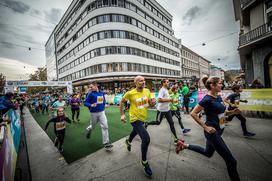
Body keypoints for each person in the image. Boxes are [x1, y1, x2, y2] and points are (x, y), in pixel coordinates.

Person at [176, 76, 241, 181]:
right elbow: (193, 113)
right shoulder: (207, 99)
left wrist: (233, 112)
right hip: (212, 132)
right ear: (212, 85)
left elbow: (222, 112)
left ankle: (183, 145)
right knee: (231, 161)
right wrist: (205, 127)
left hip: (219, 130)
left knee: (208, 153)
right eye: (220, 83)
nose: (222, 85)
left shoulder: (218, 97)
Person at [120, 75, 155, 177]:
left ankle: (128, 141)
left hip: (143, 117)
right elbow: (122, 102)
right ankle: (144, 162)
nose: (143, 82)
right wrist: (122, 114)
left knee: (135, 131)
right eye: (140, 81)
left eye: (144, 80)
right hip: (134, 119)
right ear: (135, 83)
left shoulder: (147, 91)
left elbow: (150, 104)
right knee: (146, 139)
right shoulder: (130, 93)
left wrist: (153, 103)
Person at [145, 79, 181, 144]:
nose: (168, 83)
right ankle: (147, 123)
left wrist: (172, 100)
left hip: (168, 110)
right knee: (158, 122)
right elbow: (159, 100)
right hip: (161, 111)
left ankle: (176, 139)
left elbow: (170, 97)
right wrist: (170, 100)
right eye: (167, 82)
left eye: (168, 82)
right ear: (163, 83)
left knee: (171, 124)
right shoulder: (162, 90)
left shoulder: (166, 90)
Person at [84, 82, 113, 151]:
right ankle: (89, 130)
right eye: (90, 87)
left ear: (96, 86)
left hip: (102, 112)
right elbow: (85, 103)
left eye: (91, 87)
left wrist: (105, 104)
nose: (90, 88)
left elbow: (103, 101)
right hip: (93, 113)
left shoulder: (101, 93)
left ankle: (106, 143)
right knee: (93, 126)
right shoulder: (90, 94)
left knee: (105, 126)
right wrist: (91, 105)